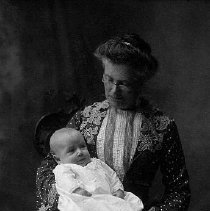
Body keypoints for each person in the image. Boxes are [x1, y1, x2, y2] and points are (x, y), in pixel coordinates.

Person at [36, 33, 191, 211]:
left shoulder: (162, 127)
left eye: (124, 83)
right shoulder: (85, 117)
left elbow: (179, 190)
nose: (113, 91)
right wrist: (68, 201)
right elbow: (47, 167)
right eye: (109, 79)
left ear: (140, 82)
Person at [49, 128, 143, 211]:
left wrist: (118, 190)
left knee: (125, 204)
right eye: (72, 150)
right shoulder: (64, 168)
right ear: (58, 159)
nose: (79, 152)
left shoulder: (97, 163)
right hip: (82, 200)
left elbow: (112, 176)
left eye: (82, 146)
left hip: (107, 198)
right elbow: (65, 181)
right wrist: (77, 190)